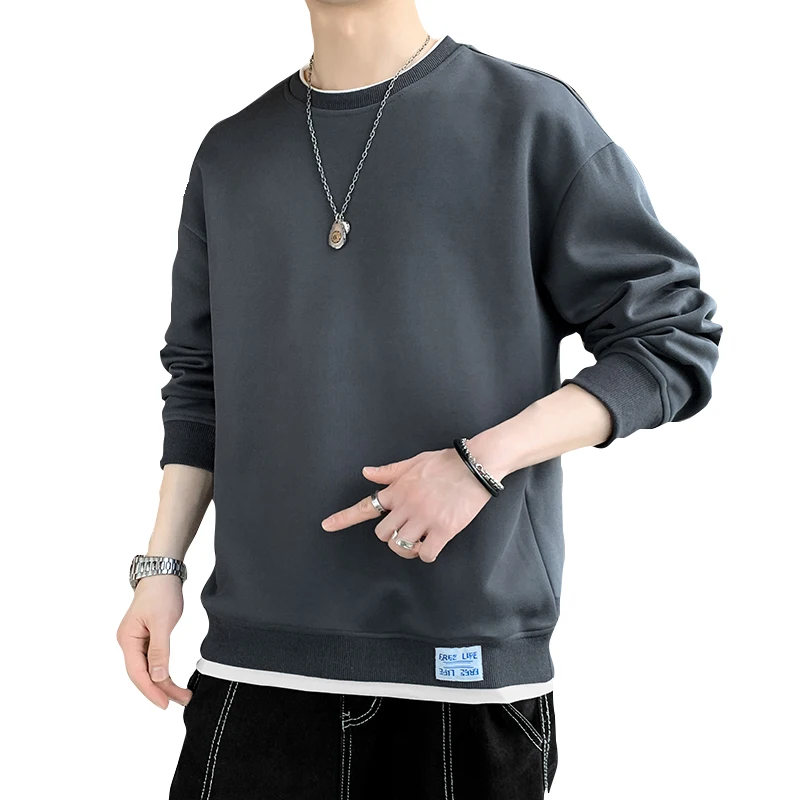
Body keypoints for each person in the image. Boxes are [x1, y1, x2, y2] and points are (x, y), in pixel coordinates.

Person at [116, 1, 723, 797]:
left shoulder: (530, 120)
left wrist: (479, 463)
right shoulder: (231, 153)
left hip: (462, 683)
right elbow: (201, 382)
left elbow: (670, 339)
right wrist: (160, 567)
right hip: (252, 673)